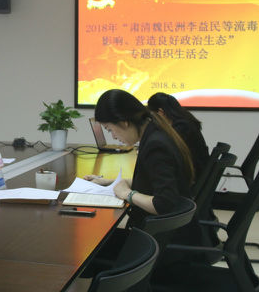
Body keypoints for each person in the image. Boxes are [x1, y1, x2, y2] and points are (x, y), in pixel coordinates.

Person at [85, 89, 195, 227]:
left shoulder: (155, 145)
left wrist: (128, 194)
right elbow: (151, 181)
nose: (113, 136)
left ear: (124, 122)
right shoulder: (154, 130)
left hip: (163, 233)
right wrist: (108, 182)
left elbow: (163, 204)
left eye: (110, 129)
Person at [147, 92, 208, 179]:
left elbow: (168, 150)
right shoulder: (185, 121)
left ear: (160, 112)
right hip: (194, 171)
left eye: (152, 115)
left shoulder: (182, 126)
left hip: (192, 175)